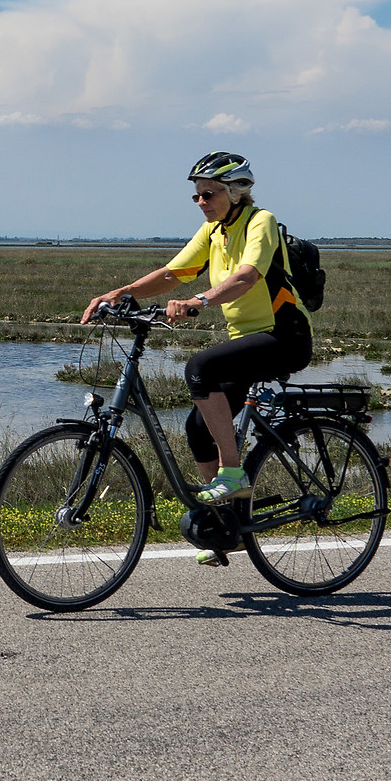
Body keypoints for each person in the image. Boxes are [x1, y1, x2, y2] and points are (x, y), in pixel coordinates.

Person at [81, 151, 314, 565]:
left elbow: (248, 275)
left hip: (283, 335)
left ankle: (232, 473)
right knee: (196, 426)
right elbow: (174, 273)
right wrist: (119, 294)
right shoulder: (213, 232)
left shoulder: (259, 222)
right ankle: (226, 525)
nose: (202, 202)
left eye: (210, 194)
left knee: (199, 369)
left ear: (236, 192)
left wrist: (199, 300)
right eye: (197, 196)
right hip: (247, 337)